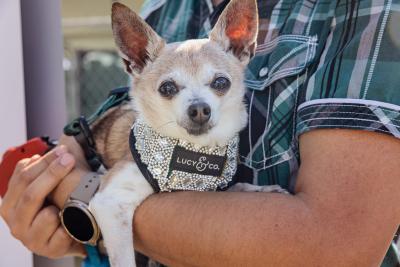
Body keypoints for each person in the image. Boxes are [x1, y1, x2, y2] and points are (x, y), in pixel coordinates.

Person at [1, 0, 400, 266]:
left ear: (244, 48)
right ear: (133, 59)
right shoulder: (166, 6)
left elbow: (334, 247)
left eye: (219, 85)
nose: (198, 105)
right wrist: (64, 207)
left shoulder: (372, 11)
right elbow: (72, 153)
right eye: (170, 89)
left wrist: (81, 198)